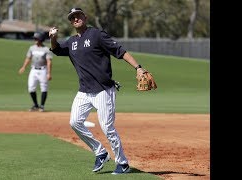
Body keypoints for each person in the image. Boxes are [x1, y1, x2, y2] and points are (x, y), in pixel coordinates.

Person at [49, 7, 149, 175]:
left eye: (78, 16)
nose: (75, 19)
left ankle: (122, 163)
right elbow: (57, 50)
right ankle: (100, 151)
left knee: (107, 127)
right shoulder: (72, 41)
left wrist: (138, 68)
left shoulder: (97, 35)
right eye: (72, 18)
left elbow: (120, 51)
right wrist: (53, 38)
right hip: (84, 91)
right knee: (74, 122)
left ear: (85, 17)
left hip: (103, 90)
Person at [18, 32, 53, 112]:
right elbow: (28, 58)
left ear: (41, 39)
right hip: (33, 70)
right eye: (34, 38)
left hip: (43, 70)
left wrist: (49, 73)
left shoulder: (46, 49)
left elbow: (49, 62)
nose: (35, 40)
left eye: (36, 38)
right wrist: (23, 67)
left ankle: (42, 106)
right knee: (31, 87)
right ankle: (36, 105)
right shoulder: (32, 48)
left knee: (44, 88)